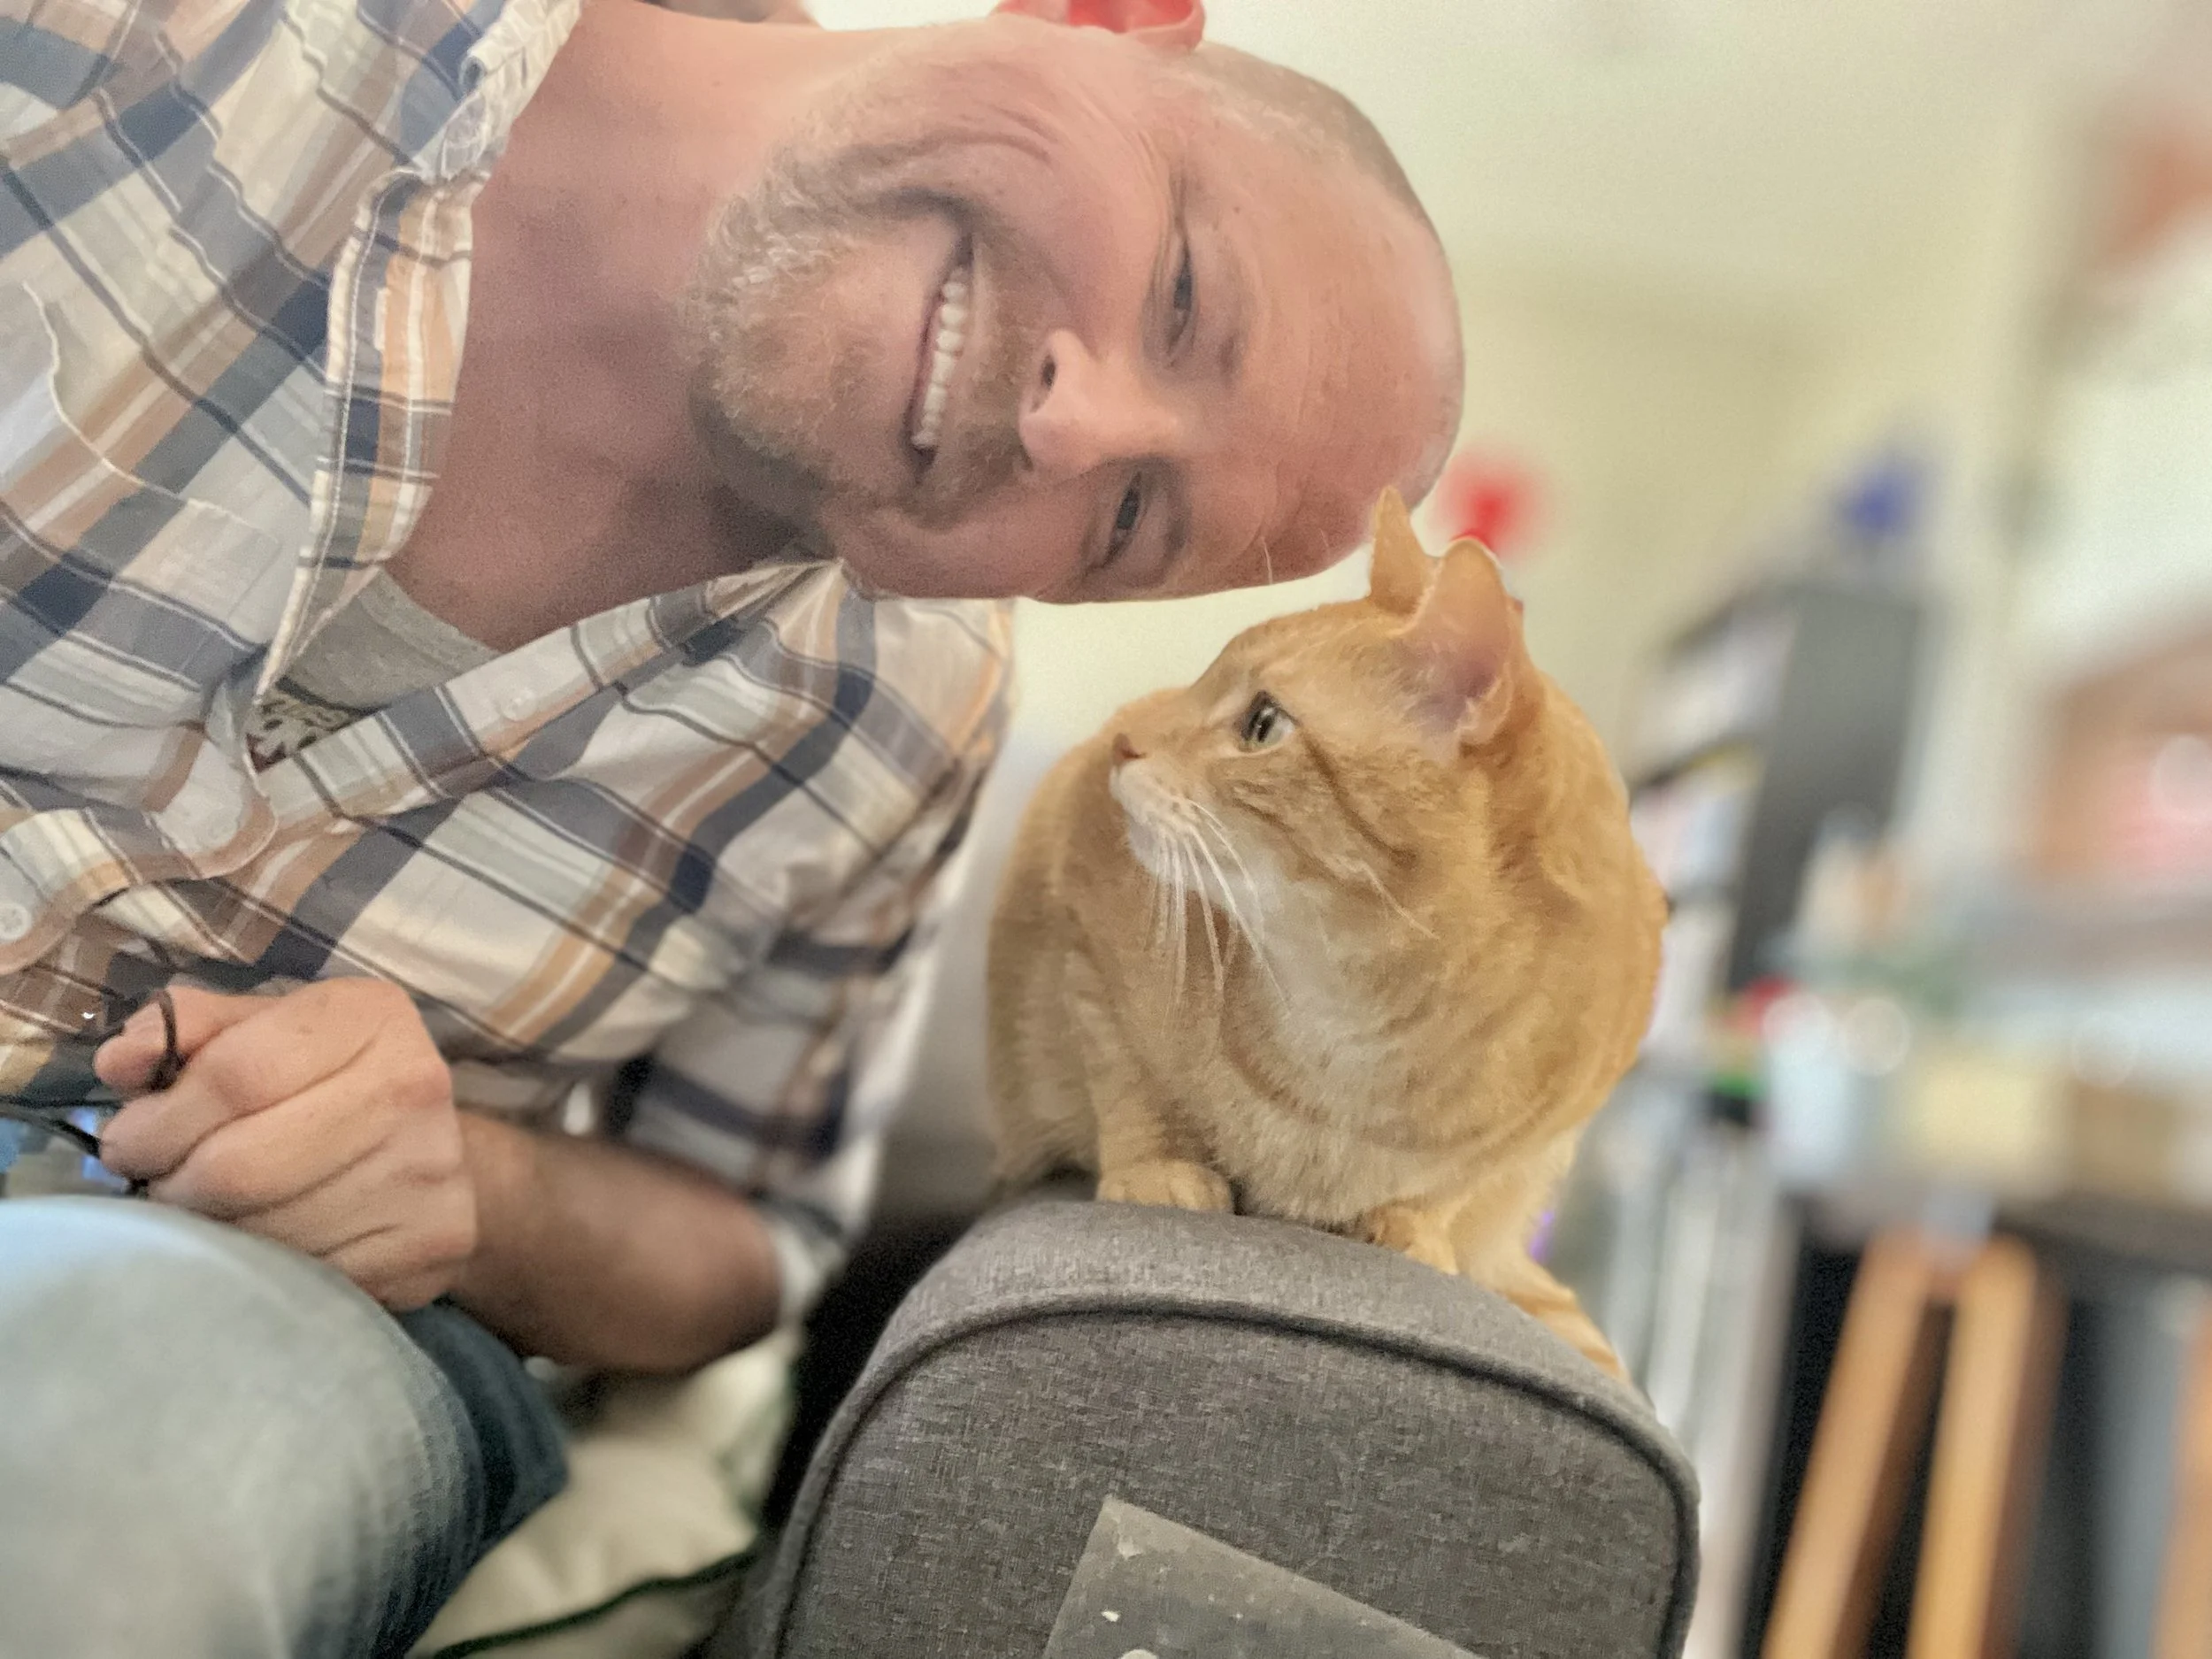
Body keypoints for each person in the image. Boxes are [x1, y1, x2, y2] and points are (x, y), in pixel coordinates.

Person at [0, 0, 1463, 1649]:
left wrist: (467, 1182)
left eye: (1125, 523)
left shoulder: (906, 712)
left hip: (222, 1306)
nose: (1073, 421)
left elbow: (746, 1240)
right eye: (1186, 289)